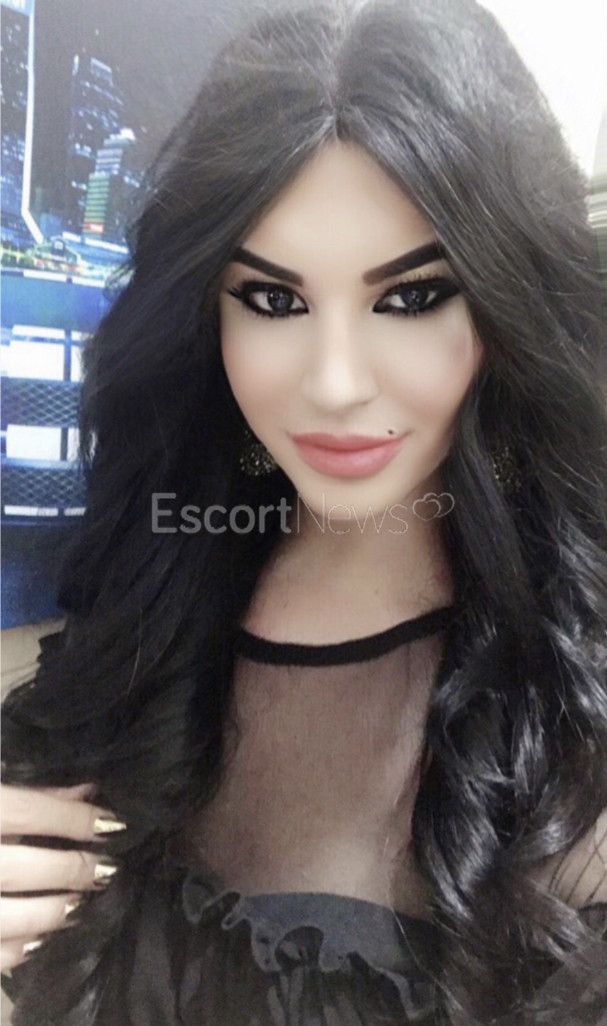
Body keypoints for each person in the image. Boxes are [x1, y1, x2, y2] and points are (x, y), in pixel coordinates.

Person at [1, 0, 607, 1022]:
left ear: (506, 305)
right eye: (274, 300)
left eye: (409, 297)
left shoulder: (572, 704)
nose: (332, 383)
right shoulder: (150, 607)